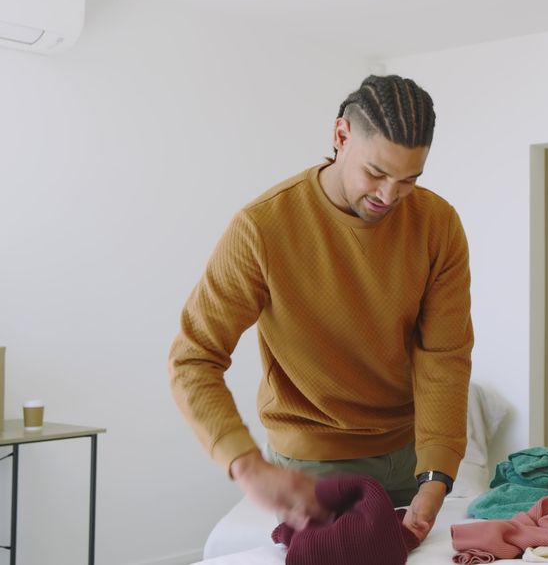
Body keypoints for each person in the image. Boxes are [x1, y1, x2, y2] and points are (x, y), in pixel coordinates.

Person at [169, 74, 474, 540]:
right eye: (376, 173)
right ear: (341, 136)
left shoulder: (438, 224)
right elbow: (194, 357)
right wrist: (247, 464)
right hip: (314, 462)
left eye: (408, 179)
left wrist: (436, 474)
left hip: (410, 456)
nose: (389, 196)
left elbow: (444, 358)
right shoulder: (262, 227)